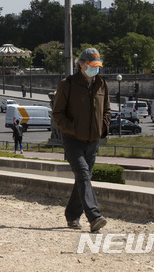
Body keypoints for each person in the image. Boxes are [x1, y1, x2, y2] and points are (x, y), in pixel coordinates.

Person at [51, 47, 110, 233]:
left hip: (93, 140)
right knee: (83, 175)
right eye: (92, 66)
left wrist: (104, 128)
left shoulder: (102, 84)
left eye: (97, 66)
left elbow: (107, 110)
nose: (95, 69)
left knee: (82, 179)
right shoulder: (67, 84)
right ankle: (94, 216)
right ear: (82, 65)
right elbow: (57, 114)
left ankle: (72, 216)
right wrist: (72, 129)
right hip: (72, 140)